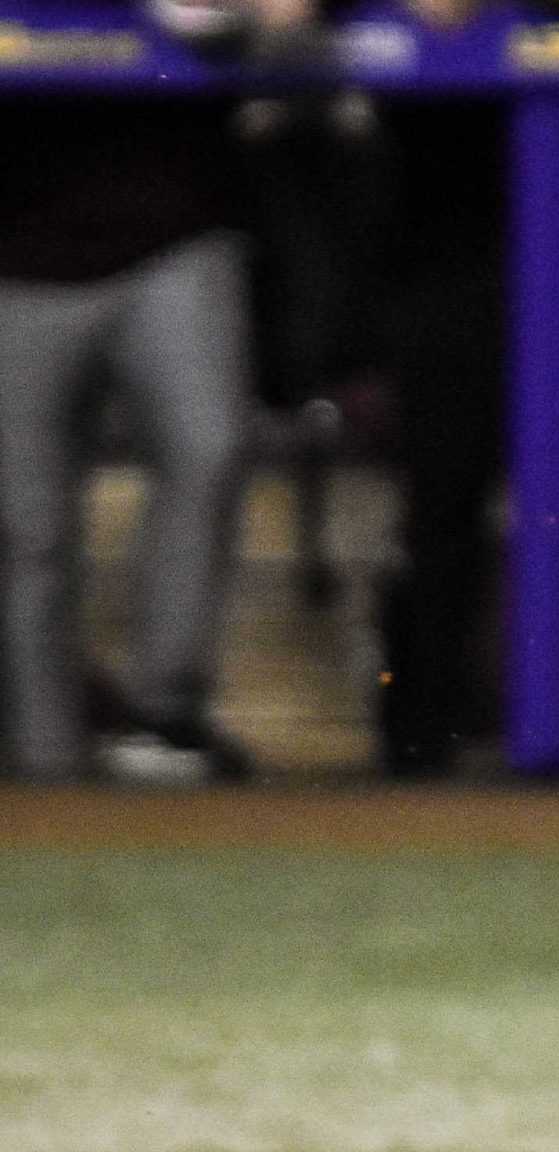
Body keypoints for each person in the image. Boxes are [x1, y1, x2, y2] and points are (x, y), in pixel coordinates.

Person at [0, 0, 276, 783]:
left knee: (210, 447)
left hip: (175, 221)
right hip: (17, 247)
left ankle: (165, 719)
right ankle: (45, 755)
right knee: (29, 528)